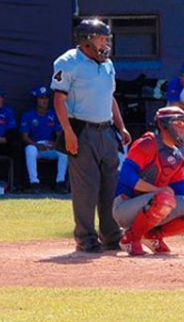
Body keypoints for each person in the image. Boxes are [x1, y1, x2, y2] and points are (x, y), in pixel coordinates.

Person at [51, 18, 132, 253]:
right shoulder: (68, 62)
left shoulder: (107, 64)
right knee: (86, 188)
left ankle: (111, 236)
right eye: (101, 37)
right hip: (82, 130)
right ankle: (85, 238)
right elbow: (59, 99)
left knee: (111, 186)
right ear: (87, 40)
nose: (105, 42)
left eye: (106, 37)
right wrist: (68, 132)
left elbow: (110, 97)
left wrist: (121, 126)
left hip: (106, 130)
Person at [113, 107, 184, 256]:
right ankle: (130, 238)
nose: (182, 129)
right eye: (178, 124)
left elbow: (182, 191)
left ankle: (153, 236)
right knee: (164, 197)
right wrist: (156, 190)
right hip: (124, 206)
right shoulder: (147, 143)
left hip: (154, 202)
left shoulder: (177, 156)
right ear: (163, 125)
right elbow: (126, 175)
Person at [20, 86, 68, 194]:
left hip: (50, 146)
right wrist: (36, 145)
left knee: (64, 150)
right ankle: (34, 183)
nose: (44, 101)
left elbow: (60, 134)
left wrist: (56, 143)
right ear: (36, 99)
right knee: (29, 150)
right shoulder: (28, 115)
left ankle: (60, 182)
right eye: (41, 98)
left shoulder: (54, 114)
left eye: (46, 98)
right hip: (36, 145)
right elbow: (24, 136)